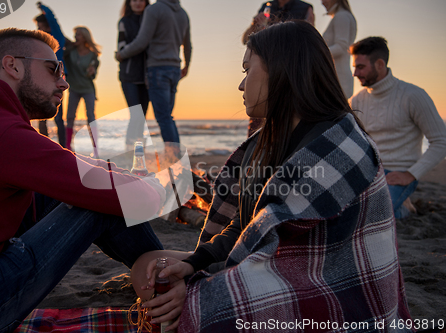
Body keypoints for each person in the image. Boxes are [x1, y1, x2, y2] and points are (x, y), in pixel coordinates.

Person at [128, 21, 413, 332]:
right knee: (148, 267)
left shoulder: (339, 145)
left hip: (321, 278)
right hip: (262, 261)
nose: (241, 85)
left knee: (200, 308)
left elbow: (277, 248)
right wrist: (195, 263)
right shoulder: (268, 141)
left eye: (246, 70)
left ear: (281, 71)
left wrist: (198, 284)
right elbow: (246, 226)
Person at [0, 28, 167, 333]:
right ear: (13, 66)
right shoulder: (3, 135)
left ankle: (167, 275)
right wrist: (154, 187)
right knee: (98, 201)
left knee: (77, 188)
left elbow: (66, 162)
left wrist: (116, 174)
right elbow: (138, 199)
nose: (64, 81)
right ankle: (171, 287)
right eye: (53, 69)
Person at [350, 37, 446, 218]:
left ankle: (403, 208)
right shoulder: (356, 100)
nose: (354, 73)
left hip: (398, 174)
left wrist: (410, 174)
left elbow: (441, 141)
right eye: (354, 67)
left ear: (379, 64)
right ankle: (400, 205)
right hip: (367, 173)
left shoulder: (413, 95)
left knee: (374, 215)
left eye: (360, 67)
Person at [115, 0, 191, 151]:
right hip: (175, 68)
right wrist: (187, 65)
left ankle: (173, 158)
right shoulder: (183, 13)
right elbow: (187, 44)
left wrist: (121, 55)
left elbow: (142, 42)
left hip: (157, 69)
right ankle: (174, 156)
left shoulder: (154, 10)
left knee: (163, 118)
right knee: (167, 117)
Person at [242, 0, 315, 137]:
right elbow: (246, 40)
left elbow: (311, 41)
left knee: (290, 125)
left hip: (291, 75)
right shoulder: (267, 6)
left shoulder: (304, 8)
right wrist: (254, 25)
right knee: (256, 129)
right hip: (264, 72)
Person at [34, 1, 70, 147]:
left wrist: (43, 8)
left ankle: (63, 147)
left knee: (58, 116)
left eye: (40, 26)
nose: (38, 29)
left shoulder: (56, 38)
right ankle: (44, 145)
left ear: (47, 25)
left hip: (56, 79)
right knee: (40, 114)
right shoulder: (37, 42)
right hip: (41, 79)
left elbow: (53, 20)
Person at [118, 0, 151, 151]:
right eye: (134, 0)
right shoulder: (124, 21)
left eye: (141, 0)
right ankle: (129, 149)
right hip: (129, 75)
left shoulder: (151, 19)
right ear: (129, 3)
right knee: (136, 115)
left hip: (147, 76)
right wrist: (139, 45)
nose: (138, 3)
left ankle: (138, 152)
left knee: (142, 117)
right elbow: (121, 48)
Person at [64, 26, 101, 154]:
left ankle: (96, 149)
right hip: (73, 88)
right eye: (75, 34)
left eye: (78, 35)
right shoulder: (69, 52)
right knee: (70, 117)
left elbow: (93, 74)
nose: (75, 37)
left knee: (91, 116)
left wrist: (92, 71)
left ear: (85, 37)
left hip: (88, 88)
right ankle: (68, 146)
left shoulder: (93, 55)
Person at [321, 0, 357, 99]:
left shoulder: (342, 16)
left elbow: (341, 47)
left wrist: (317, 54)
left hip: (339, 79)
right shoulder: (341, 16)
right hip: (336, 77)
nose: (322, 2)